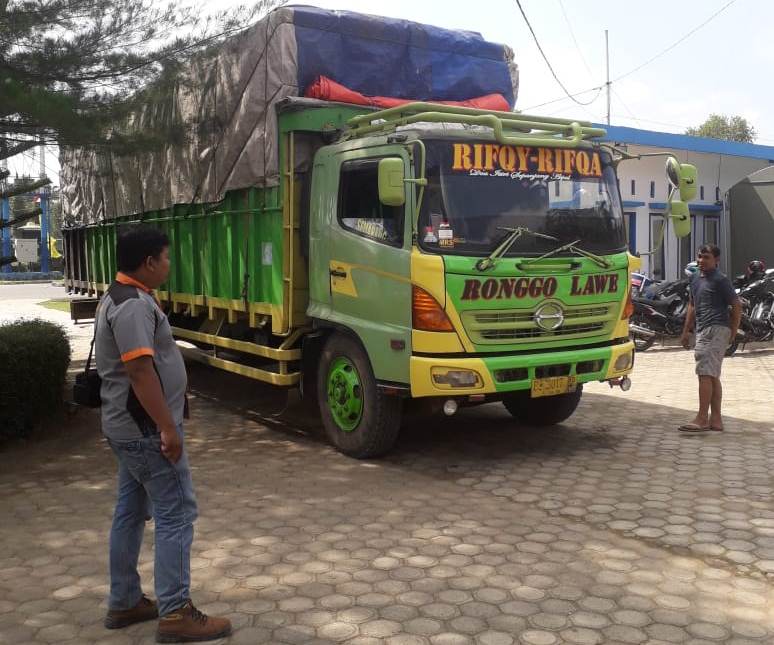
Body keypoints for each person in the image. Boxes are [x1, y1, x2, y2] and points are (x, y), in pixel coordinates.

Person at [97, 226, 231, 642]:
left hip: (128, 428)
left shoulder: (121, 297)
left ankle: (125, 600)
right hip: (145, 432)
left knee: (131, 510)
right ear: (149, 262)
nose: (170, 265)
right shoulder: (133, 306)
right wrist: (167, 427)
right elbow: (139, 371)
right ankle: (175, 613)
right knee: (176, 514)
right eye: (167, 258)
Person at [679, 244, 741, 433]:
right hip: (702, 330)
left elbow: (736, 306)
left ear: (716, 260)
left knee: (705, 373)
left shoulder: (721, 280)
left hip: (716, 330)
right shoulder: (695, 279)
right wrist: (686, 331)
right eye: (699, 256)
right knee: (712, 376)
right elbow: (692, 305)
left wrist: (733, 331)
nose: (701, 261)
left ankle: (701, 418)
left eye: (706, 257)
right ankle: (716, 420)